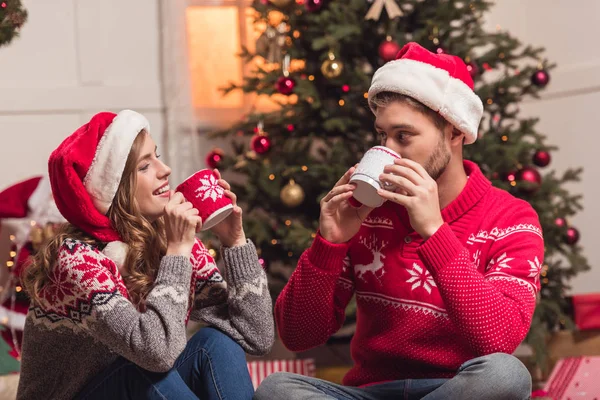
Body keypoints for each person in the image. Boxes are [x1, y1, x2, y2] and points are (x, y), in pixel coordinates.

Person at [255, 42, 542, 399]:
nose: (388, 151)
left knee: (506, 375)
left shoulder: (511, 217)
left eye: (403, 136)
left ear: (454, 132)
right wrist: (328, 243)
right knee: (277, 389)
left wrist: (434, 231)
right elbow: (299, 335)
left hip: (456, 390)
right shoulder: (366, 212)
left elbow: (498, 338)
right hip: (372, 392)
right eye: (382, 136)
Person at [17, 110, 274, 400]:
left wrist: (234, 241)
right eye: (144, 166)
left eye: (158, 156)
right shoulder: (77, 260)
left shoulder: (168, 239)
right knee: (143, 371)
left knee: (216, 342)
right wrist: (177, 253)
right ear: (115, 188)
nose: (165, 170)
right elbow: (157, 355)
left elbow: (256, 335)